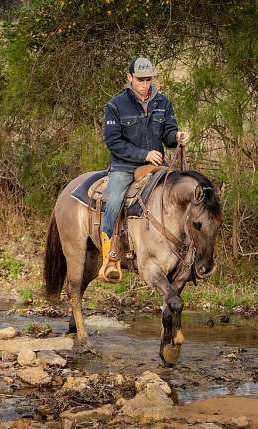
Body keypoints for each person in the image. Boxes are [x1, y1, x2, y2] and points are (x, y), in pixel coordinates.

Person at [99, 57, 190, 282]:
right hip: (124, 166)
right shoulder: (115, 106)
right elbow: (113, 142)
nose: (145, 84)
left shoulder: (163, 103)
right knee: (113, 200)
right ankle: (110, 257)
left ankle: (184, 253)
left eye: (148, 80)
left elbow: (169, 133)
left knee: (180, 196)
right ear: (129, 78)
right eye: (140, 80)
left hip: (156, 166)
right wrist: (144, 154)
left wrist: (177, 136)